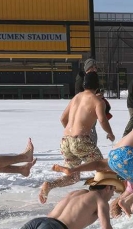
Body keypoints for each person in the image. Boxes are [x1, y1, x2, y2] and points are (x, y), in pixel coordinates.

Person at [39, 73, 115, 203]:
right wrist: (110, 133)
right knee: (102, 166)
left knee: (73, 177)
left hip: (65, 141)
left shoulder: (76, 97)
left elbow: (63, 118)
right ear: (97, 86)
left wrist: (71, 133)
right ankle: (101, 198)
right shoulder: (98, 101)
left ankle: (50, 185)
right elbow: (102, 120)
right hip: (80, 141)